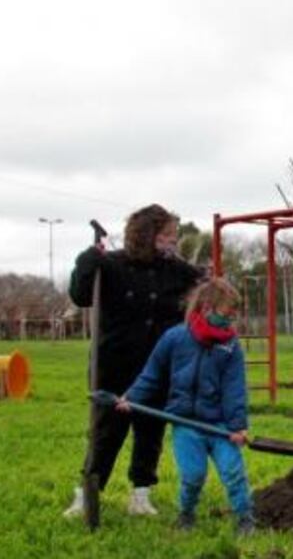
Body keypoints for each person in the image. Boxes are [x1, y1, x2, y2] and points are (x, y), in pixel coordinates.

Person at [64, 204, 203, 517]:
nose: (172, 242)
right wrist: (87, 262)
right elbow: (81, 295)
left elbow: (203, 288)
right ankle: (88, 493)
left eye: (174, 236)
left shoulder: (176, 270)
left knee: (150, 431)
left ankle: (141, 494)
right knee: (106, 433)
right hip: (114, 364)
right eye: (167, 235)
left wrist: (207, 284)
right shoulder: (111, 266)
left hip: (156, 367)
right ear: (147, 234)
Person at [118, 278, 254, 534]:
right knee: (192, 476)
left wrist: (238, 426)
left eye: (232, 316)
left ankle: (245, 519)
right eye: (225, 314)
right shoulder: (175, 338)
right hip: (186, 425)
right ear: (206, 307)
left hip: (221, 426)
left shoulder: (230, 347)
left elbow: (235, 388)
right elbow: (152, 373)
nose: (229, 321)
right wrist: (132, 397)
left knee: (234, 473)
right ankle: (186, 514)